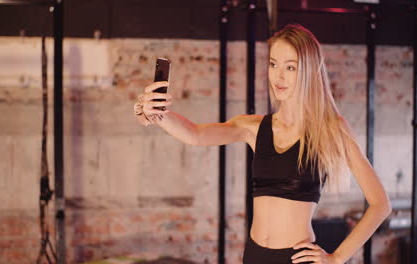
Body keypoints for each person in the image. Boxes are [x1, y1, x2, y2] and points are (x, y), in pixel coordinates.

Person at [134, 24, 392, 264]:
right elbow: (196, 134)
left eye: (290, 67)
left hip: (297, 259)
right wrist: (157, 115)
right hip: (254, 255)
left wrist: (336, 258)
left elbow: (381, 204)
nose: (278, 76)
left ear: (309, 70)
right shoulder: (254, 128)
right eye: (273, 64)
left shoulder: (330, 129)